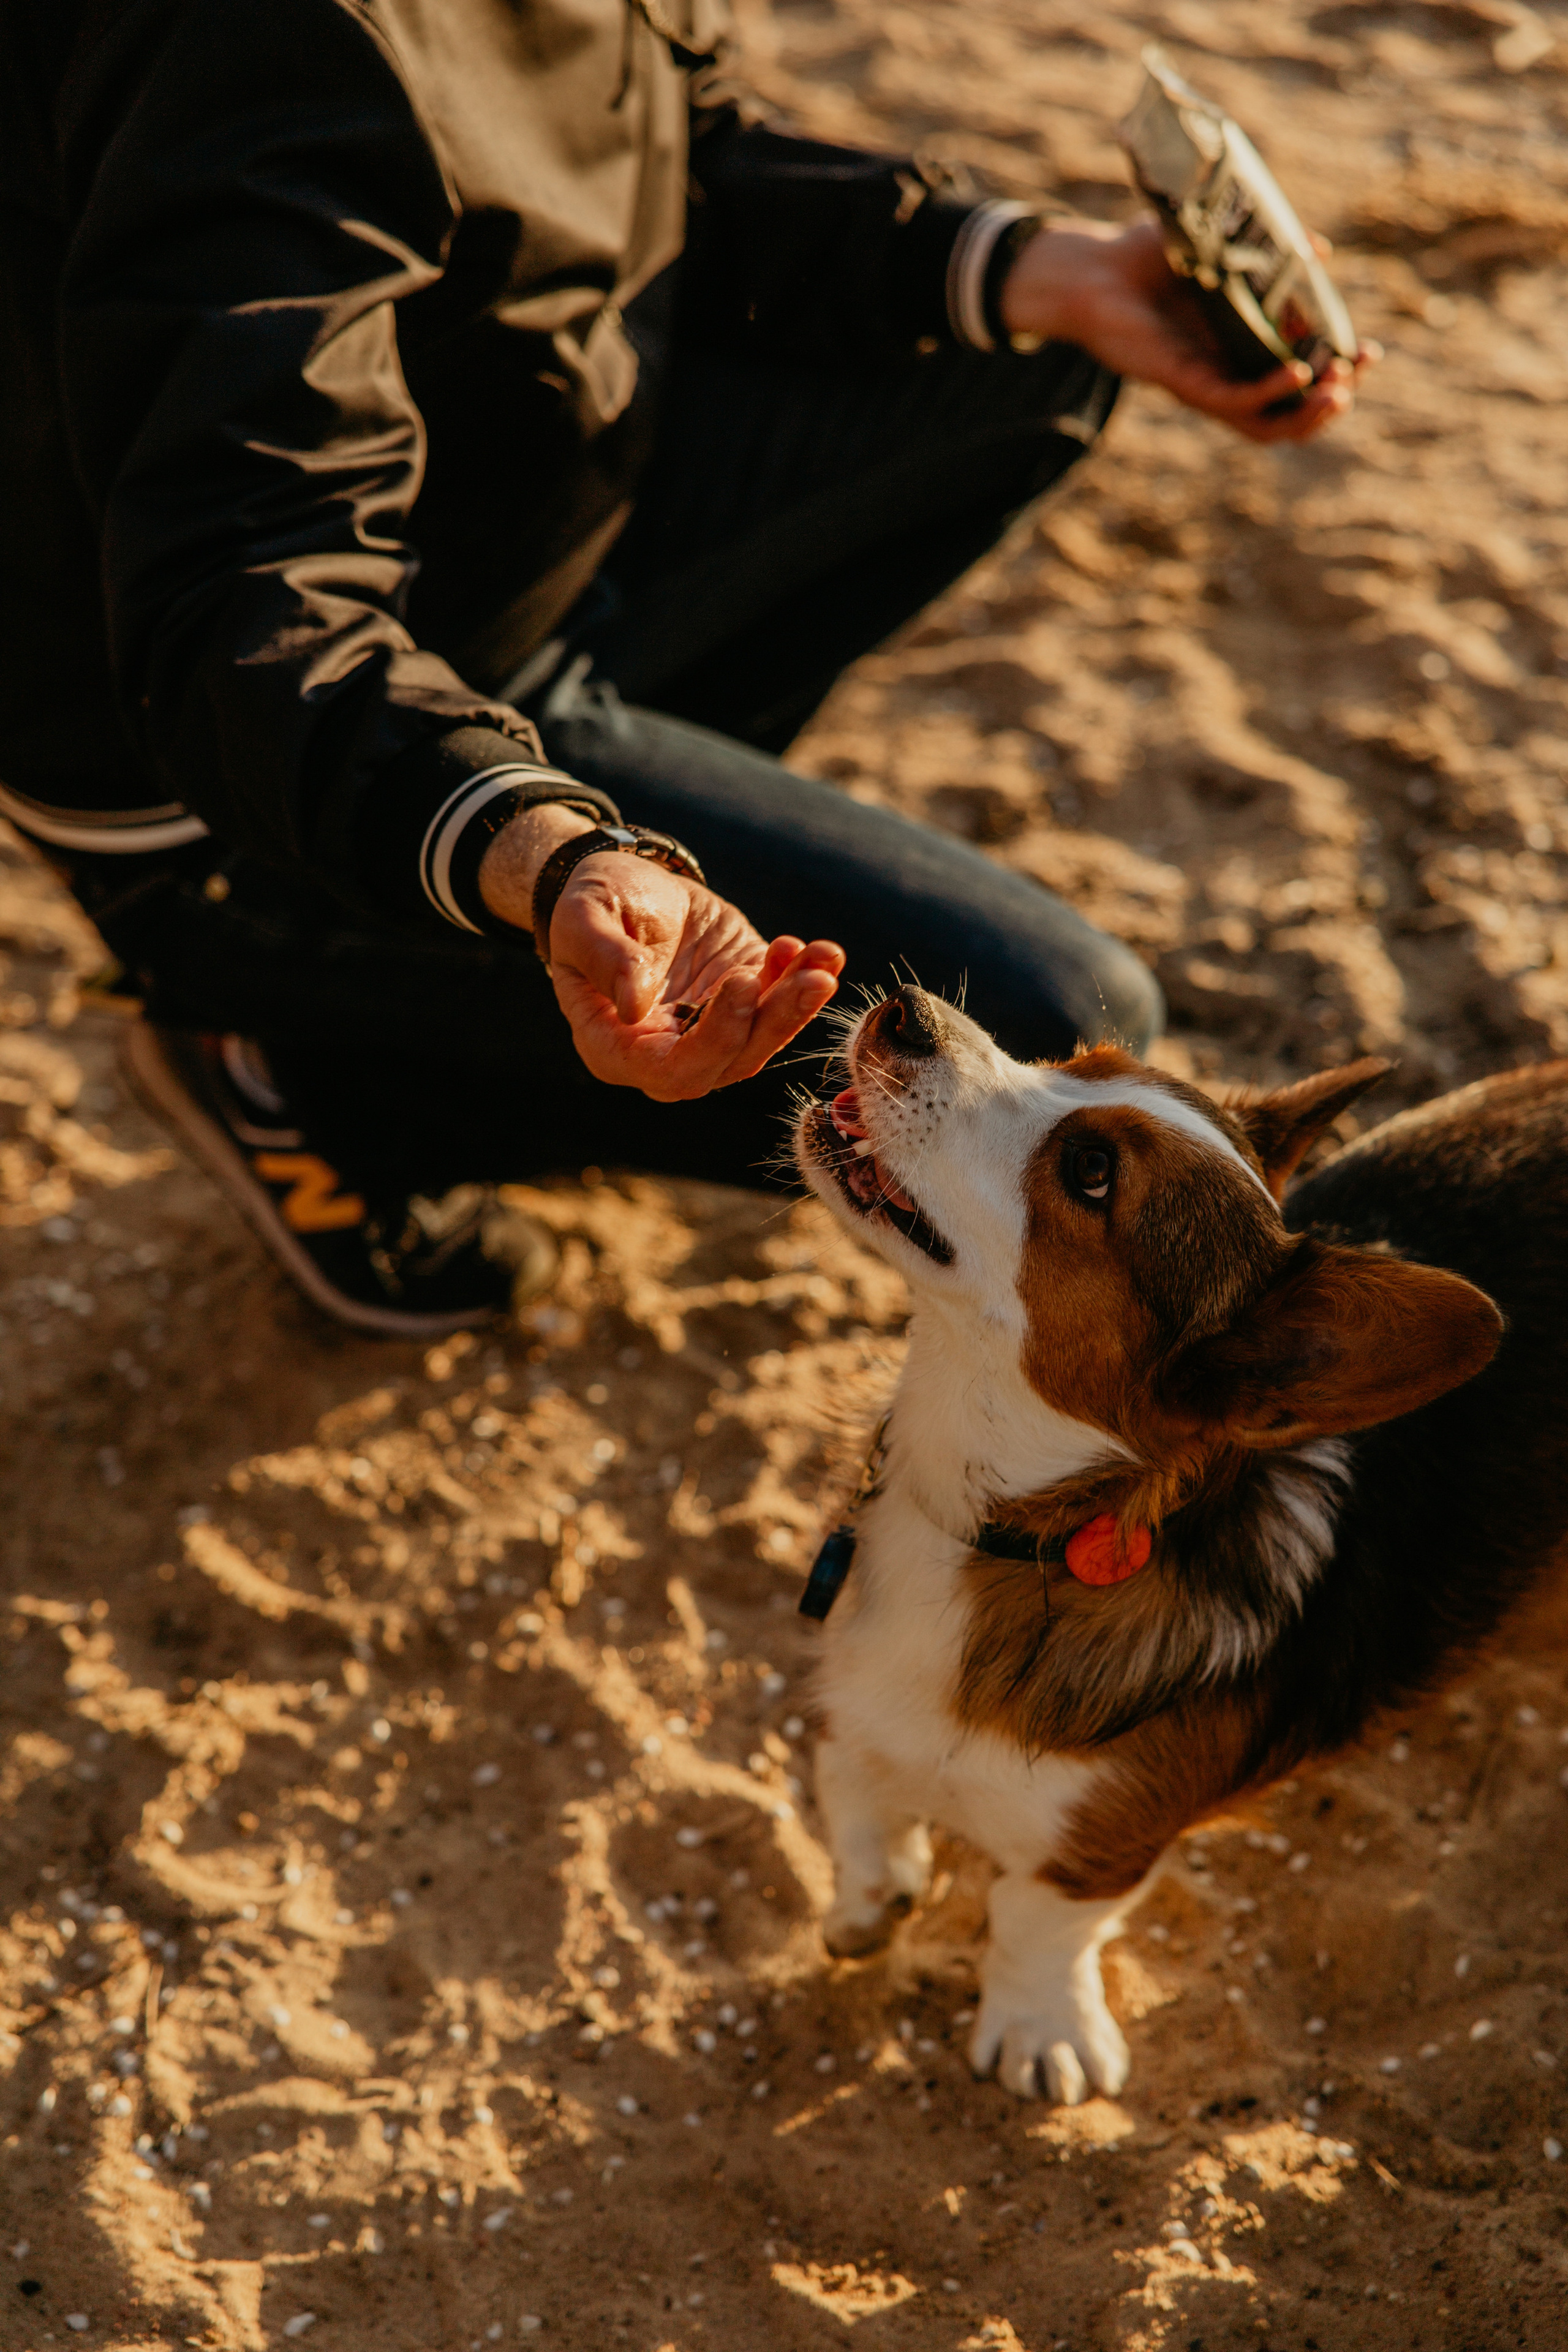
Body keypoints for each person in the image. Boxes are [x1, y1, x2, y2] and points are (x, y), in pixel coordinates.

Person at [1, 0, 1371, 1336]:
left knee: (1025, 351)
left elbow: (678, 149)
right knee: (1049, 1027)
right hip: (252, 768)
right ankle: (305, 1074)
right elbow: (242, 607)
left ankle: (587, 863)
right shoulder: (256, 39)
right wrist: (540, 853)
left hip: (502, 537)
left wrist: (1033, 269)